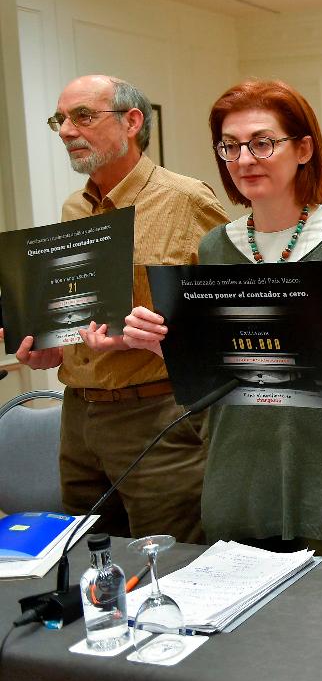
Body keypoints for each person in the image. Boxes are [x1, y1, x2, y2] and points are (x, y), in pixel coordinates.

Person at [112, 79, 322, 559]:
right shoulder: (215, 246)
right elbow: (215, 374)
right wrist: (170, 347)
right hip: (238, 481)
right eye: (231, 147)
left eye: (262, 143)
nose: (245, 159)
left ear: (303, 149)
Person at [3, 74, 228, 543]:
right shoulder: (73, 209)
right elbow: (77, 316)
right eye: (60, 120)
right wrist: (51, 348)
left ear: (131, 122)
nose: (66, 130)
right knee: (92, 565)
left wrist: (146, 338)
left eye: (82, 116)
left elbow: (229, 315)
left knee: (167, 569)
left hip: (157, 415)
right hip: (78, 418)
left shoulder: (186, 200)